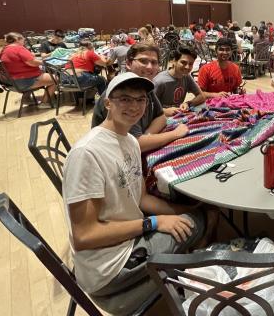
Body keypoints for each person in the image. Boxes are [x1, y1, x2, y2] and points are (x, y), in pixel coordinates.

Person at [62, 72, 206, 315]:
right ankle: (187, 282)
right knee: (200, 223)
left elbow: (141, 199)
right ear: (108, 103)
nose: (134, 106)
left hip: (124, 242)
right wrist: (153, 222)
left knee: (195, 214)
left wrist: (185, 211)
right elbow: (84, 236)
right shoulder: (87, 153)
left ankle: (182, 272)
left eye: (141, 100)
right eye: (125, 99)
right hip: (110, 267)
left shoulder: (129, 141)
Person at [91, 43, 189, 153]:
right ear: (128, 63)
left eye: (154, 62)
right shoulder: (116, 93)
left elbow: (161, 117)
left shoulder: (145, 86)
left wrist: (146, 137)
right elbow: (137, 145)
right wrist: (175, 134)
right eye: (143, 61)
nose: (150, 67)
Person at [0, 32, 56, 107]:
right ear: (17, 39)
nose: (24, 40)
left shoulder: (4, 49)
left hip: (9, 81)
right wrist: (44, 63)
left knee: (44, 73)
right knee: (56, 78)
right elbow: (32, 62)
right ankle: (44, 103)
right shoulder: (18, 48)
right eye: (22, 38)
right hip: (23, 81)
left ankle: (26, 99)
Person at [153, 45, 206, 113]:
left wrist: (187, 104)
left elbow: (201, 96)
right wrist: (164, 111)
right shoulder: (159, 81)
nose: (187, 67)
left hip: (178, 116)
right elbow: (147, 106)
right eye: (183, 62)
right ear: (174, 61)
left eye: (190, 64)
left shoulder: (186, 77)